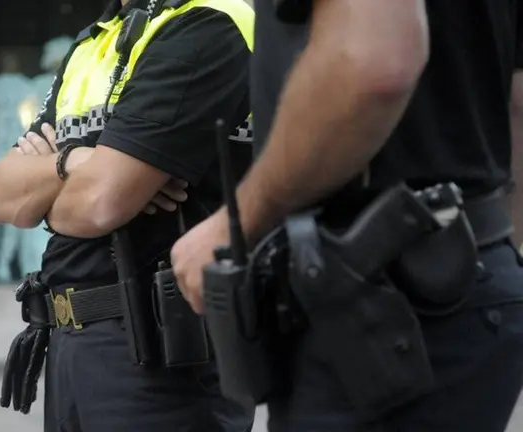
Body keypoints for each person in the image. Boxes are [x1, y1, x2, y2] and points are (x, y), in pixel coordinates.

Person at [171, 0, 523, 430]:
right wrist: (490, 245)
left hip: (375, 310)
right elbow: (517, 101)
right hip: (464, 289)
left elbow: (376, 62)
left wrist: (239, 222)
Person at [0, 0, 256, 430]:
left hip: (163, 352)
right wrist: (76, 161)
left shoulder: (207, 22)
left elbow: (101, 203)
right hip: (69, 345)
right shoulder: (93, 40)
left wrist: (45, 192)